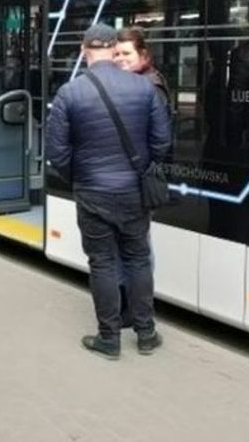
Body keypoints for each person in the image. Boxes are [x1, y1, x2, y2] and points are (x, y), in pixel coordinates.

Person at [46, 24, 171, 359]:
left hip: (92, 193)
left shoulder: (69, 93)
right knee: (138, 258)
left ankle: (109, 339)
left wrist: (81, 178)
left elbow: (57, 154)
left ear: (84, 51)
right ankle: (146, 333)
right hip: (134, 193)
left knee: (102, 262)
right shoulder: (144, 89)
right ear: (115, 50)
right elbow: (162, 143)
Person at [115, 26, 171, 104]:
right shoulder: (121, 80)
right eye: (116, 54)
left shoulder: (152, 84)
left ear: (142, 54)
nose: (120, 58)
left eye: (126, 53)